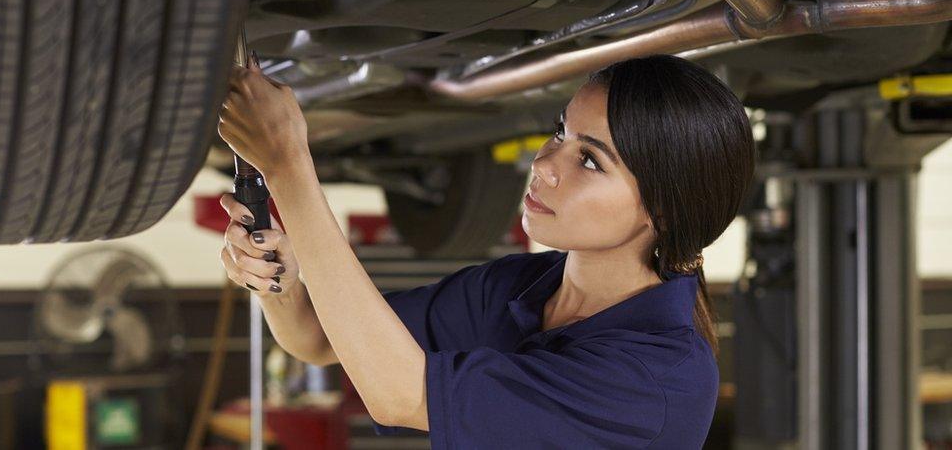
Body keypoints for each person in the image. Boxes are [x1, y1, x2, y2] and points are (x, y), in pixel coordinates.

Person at [217, 54, 756, 449]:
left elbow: (401, 396)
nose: (545, 163)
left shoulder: (655, 378)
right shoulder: (520, 288)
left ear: (660, 211)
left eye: (589, 161)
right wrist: (279, 283)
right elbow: (317, 337)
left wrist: (286, 163)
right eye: (561, 132)